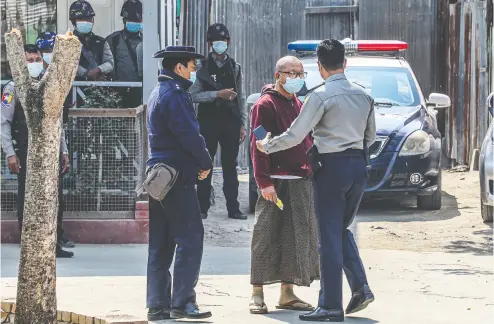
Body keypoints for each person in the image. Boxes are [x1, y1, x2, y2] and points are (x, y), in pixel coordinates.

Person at [256, 39, 376, 322]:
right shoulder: (365, 96)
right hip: (359, 167)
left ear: (320, 67)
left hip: (331, 169)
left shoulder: (320, 97)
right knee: (340, 229)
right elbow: (370, 138)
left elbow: (296, 135)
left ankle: (331, 306)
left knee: (328, 237)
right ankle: (360, 288)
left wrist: (267, 146)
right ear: (344, 64)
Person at [146, 45, 213, 321]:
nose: (194, 72)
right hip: (177, 177)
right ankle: (183, 302)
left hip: (158, 178)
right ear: (179, 68)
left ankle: (158, 304)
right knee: (190, 239)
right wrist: (206, 162)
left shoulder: (157, 92)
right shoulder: (175, 95)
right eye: (192, 66)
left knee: (160, 243)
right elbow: (190, 136)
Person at [249, 56, 319, 315]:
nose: (296, 79)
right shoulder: (264, 105)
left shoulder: (300, 104)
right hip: (275, 183)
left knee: (295, 237)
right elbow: (258, 147)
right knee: (265, 235)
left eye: (300, 74)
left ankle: (287, 292)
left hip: (300, 179)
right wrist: (264, 182)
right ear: (278, 75)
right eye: (291, 73)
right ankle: (257, 293)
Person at [1, 44, 74, 258]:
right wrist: (10, 153)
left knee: (55, 196)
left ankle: (54, 242)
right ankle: (29, 243)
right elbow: (3, 123)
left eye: (36, 60)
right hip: (25, 149)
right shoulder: (12, 89)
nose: (34, 64)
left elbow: (56, 122)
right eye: (29, 60)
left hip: (50, 149)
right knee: (28, 195)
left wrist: (64, 150)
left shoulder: (48, 86)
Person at [189, 23, 247, 220]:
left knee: (230, 166)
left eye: (223, 41)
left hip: (230, 122)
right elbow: (193, 95)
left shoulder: (235, 68)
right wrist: (217, 95)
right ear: (209, 44)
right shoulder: (201, 68)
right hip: (207, 122)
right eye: (215, 42)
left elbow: (241, 98)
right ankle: (201, 207)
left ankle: (233, 208)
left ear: (228, 42)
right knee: (205, 164)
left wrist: (242, 124)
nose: (220, 45)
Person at [106, 0, 143, 108]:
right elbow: (107, 65)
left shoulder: (147, 41)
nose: (135, 22)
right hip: (119, 92)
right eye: (132, 20)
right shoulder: (113, 40)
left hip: (142, 92)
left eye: (138, 20)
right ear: (124, 20)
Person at [69, 0, 114, 81]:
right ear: (73, 22)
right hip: (76, 90)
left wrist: (98, 70)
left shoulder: (101, 41)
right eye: (81, 19)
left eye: (89, 19)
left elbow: (110, 63)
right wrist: (87, 74)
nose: (86, 22)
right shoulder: (67, 42)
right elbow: (67, 64)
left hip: (99, 89)